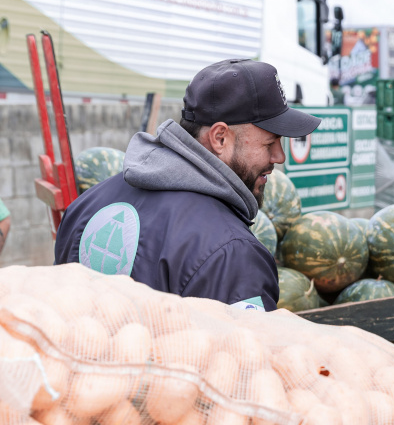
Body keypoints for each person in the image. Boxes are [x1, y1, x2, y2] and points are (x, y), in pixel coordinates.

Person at [54, 59, 321, 311]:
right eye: (269, 143)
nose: (279, 156)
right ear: (220, 138)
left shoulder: (85, 206)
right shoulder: (231, 254)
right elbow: (245, 357)